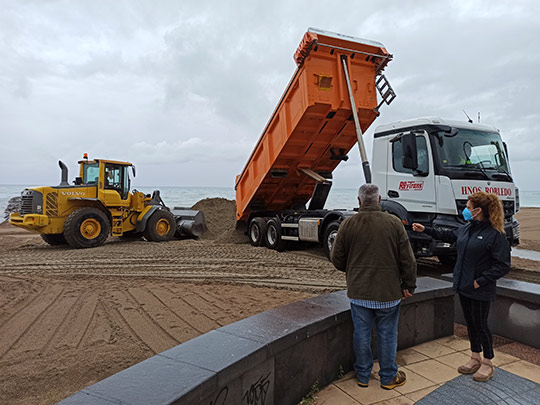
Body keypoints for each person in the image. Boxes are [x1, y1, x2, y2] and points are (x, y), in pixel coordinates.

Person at [412, 191, 510, 382]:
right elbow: (448, 235)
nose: (465, 209)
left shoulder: (495, 235)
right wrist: (425, 229)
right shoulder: (467, 228)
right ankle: (475, 357)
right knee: (471, 324)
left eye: (468, 207)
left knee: (481, 325)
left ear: (478, 210)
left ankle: (487, 362)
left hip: (480, 289)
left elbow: (502, 265)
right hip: (464, 286)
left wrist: (479, 281)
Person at [331, 184, 417, 390]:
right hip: (388, 293)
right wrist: (409, 285)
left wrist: (352, 270)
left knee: (361, 333)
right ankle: (388, 378)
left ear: (359, 201)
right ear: (378, 200)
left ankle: (362, 375)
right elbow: (408, 260)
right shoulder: (394, 223)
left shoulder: (347, 224)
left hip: (359, 292)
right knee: (387, 334)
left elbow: (337, 259)